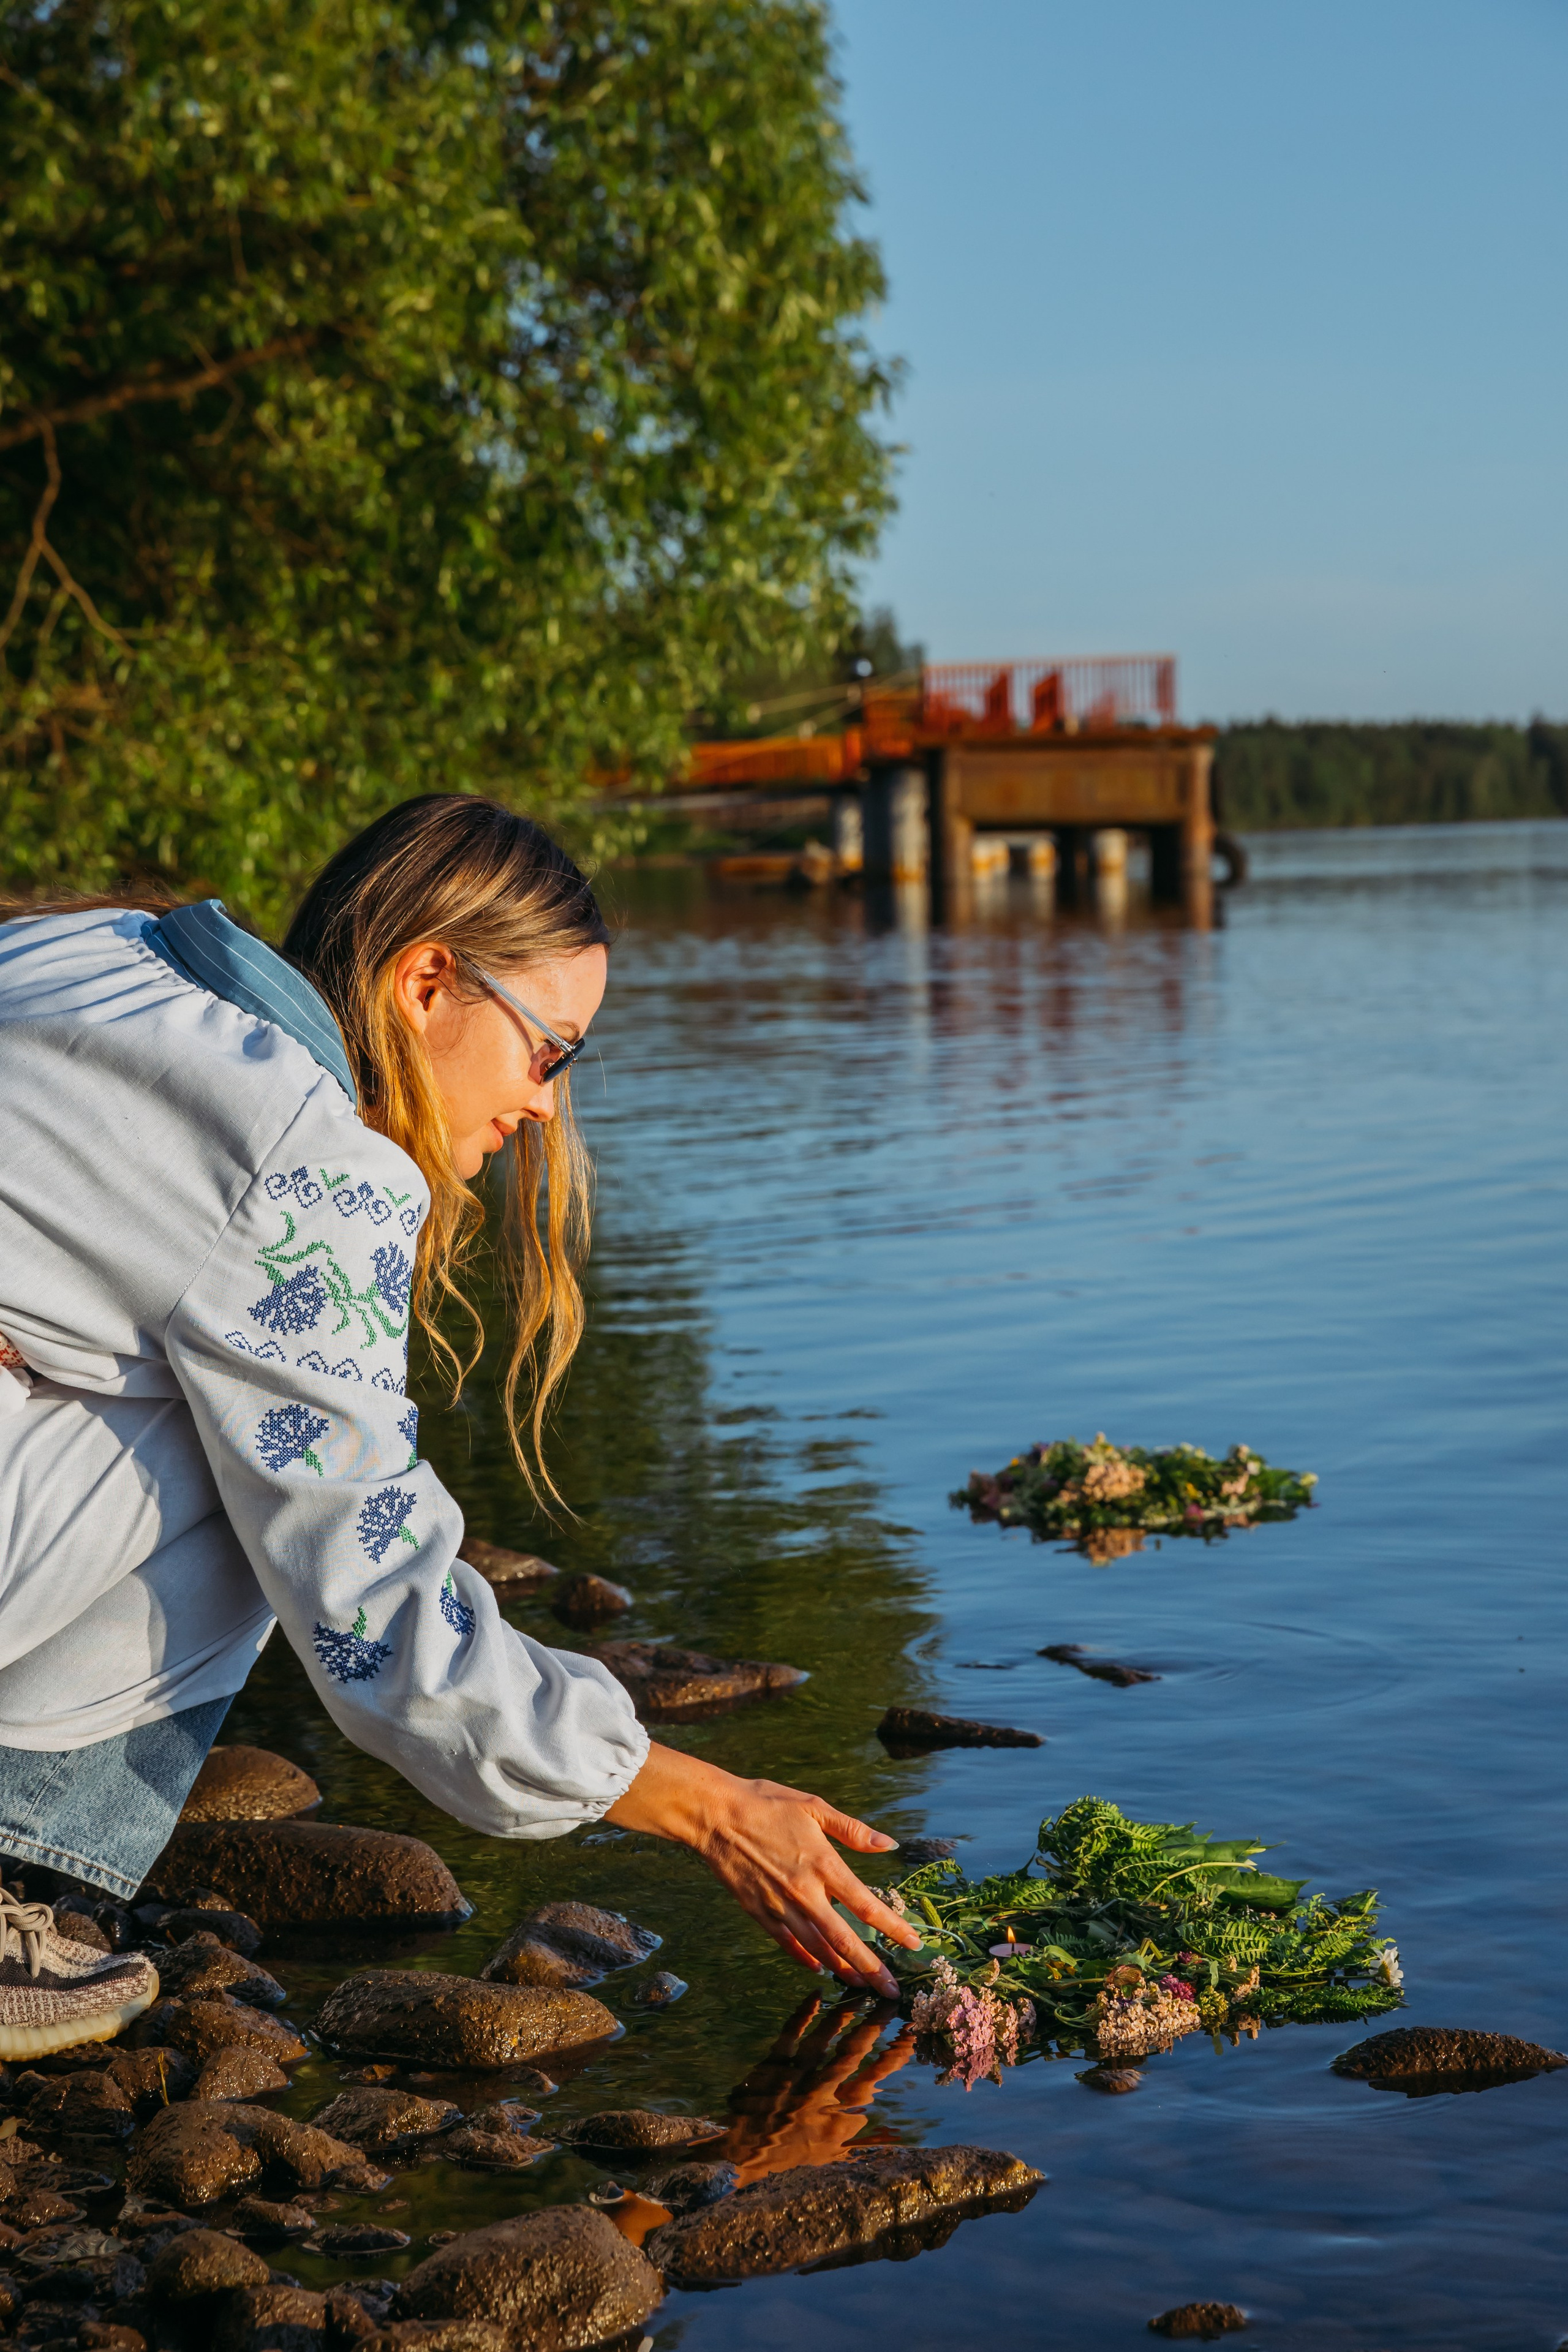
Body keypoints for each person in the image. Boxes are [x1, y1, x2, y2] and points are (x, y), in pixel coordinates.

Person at [0, 793, 919, 2055]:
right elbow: (379, 1611)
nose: (544, 1104)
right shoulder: (308, 1163)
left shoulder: (102, 954)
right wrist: (703, 1806)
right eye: (551, 1049)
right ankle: (17, 1894)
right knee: (272, 1470)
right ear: (428, 980)